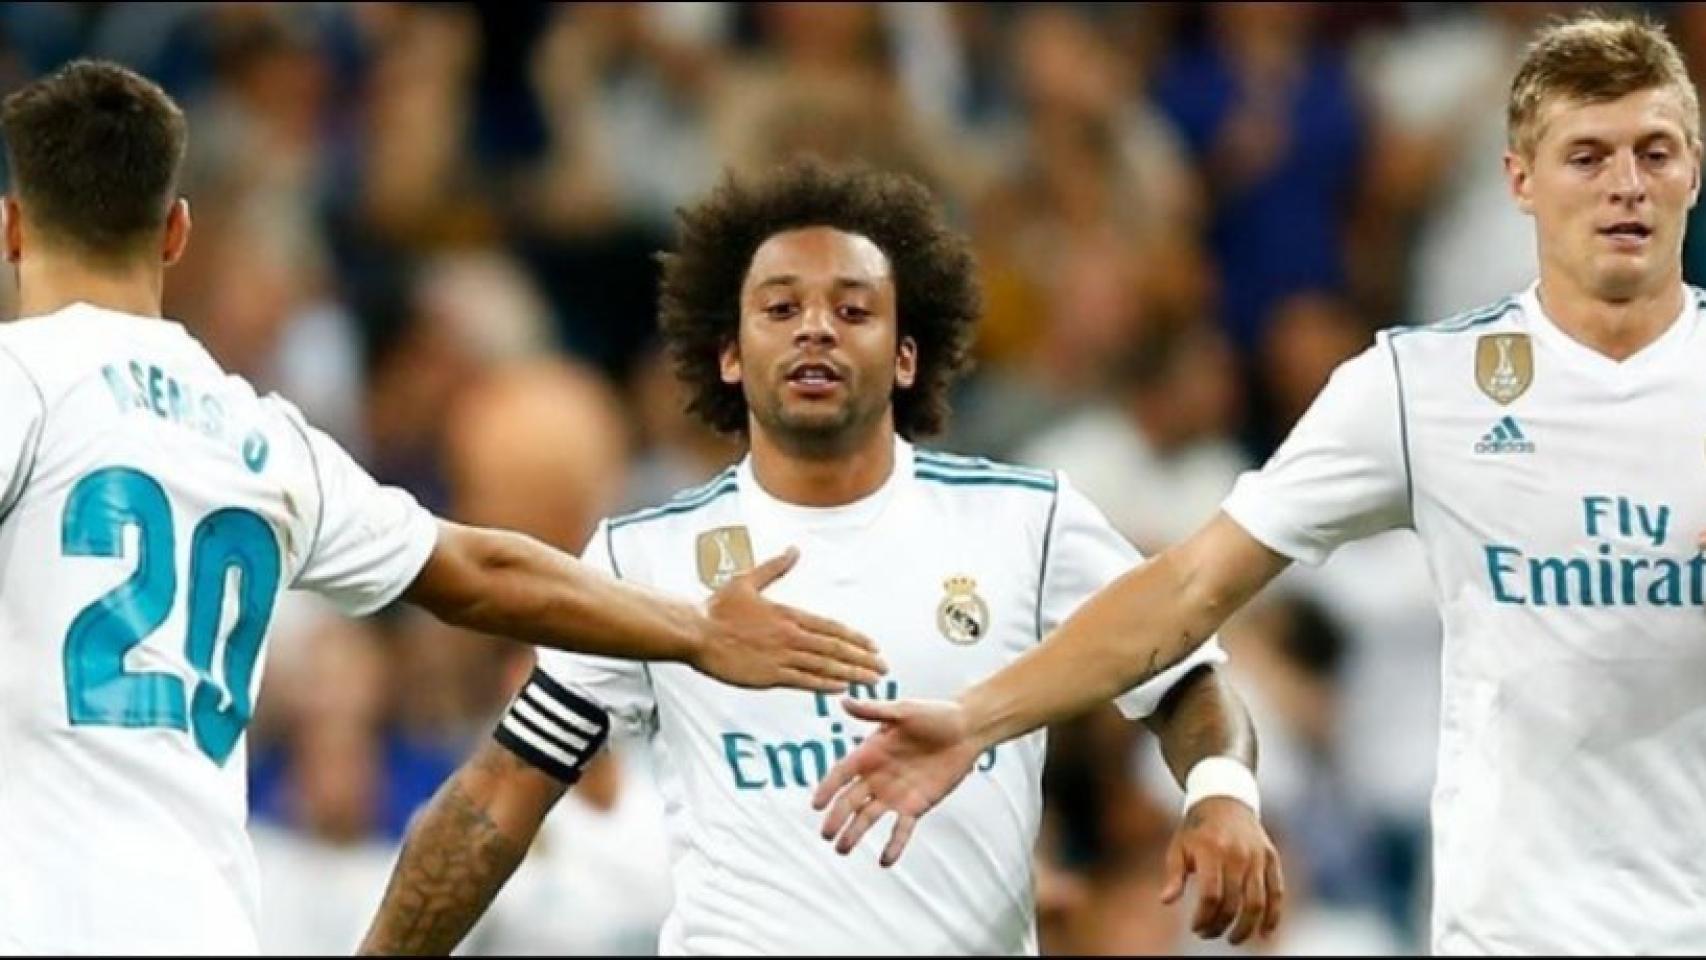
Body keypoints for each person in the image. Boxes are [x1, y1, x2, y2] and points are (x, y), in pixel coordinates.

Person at [814, 11, 1706, 955]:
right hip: (1514, 933)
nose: (1626, 187)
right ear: (1518, 180)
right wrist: (975, 717)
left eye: (1655, 153)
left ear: (1695, 168)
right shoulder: (1422, 388)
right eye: (1587, 156)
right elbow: (1189, 586)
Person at [0, 60, 885, 955]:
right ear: (176, 233)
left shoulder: (21, 385)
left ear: (10, 227)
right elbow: (481, 570)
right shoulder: (258, 436)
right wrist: (695, 629)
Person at [357, 159, 1283, 955]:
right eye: (780, 308)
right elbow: (504, 787)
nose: (816, 329)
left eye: (853, 308)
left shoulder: (1026, 523)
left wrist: (1221, 791)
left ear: (907, 357)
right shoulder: (645, 557)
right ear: (729, 355)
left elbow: (1183, 674)